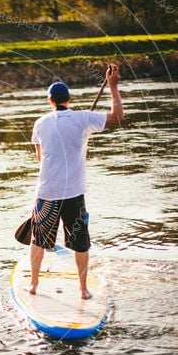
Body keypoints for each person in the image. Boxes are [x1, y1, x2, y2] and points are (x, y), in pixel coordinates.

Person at [27, 64, 124, 300]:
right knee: (81, 243)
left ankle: (33, 285)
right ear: (69, 99)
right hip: (73, 194)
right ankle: (83, 290)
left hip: (47, 193)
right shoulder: (83, 119)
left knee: (38, 239)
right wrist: (113, 86)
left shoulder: (40, 123)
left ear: (50, 101)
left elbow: (40, 157)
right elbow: (118, 118)